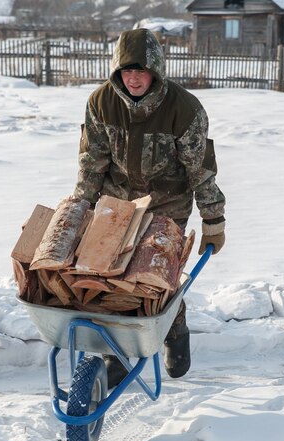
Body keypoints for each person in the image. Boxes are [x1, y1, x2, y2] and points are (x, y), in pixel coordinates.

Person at [72, 28, 226, 386]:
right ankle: (114, 352)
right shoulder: (101, 103)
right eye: (127, 70)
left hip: (166, 202)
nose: (135, 77)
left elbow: (201, 171)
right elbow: (90, 165)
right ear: (117, 72)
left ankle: (174, 328)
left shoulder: (184, 109)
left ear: (156, 71)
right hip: (117, 199)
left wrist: (213, 220)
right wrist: (80, 211)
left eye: (142, 70)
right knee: (107, 278)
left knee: (155, 277)